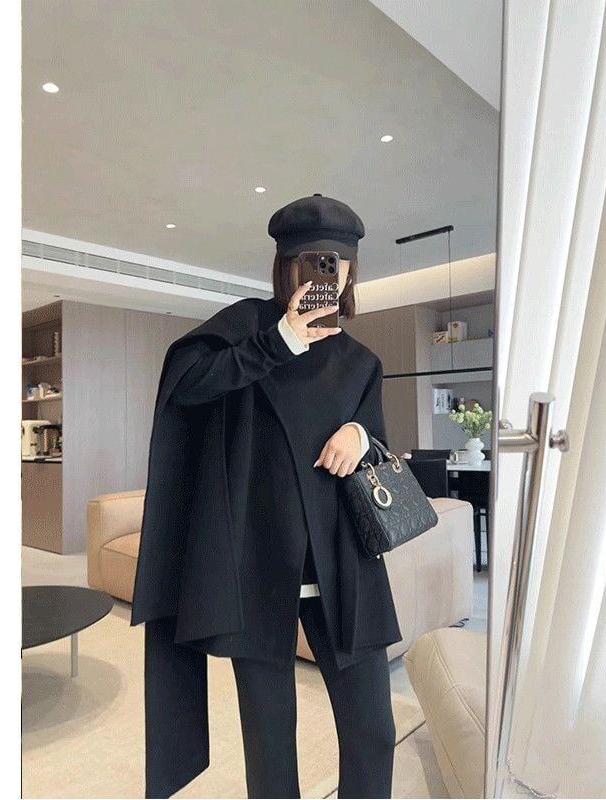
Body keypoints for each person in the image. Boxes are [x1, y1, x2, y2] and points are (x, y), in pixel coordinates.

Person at [130, 194, 402, 799]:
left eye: (337, 264)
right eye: (312, 262)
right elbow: (184, 387)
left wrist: (360, 437)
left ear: (351, 272)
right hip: (255, 571)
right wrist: (277, 342)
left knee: (373, 730)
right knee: (270, 743)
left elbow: (378, 445)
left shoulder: (361, 362)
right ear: (287, 267)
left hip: (345, 569)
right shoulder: (246, 330)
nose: (326, 275)